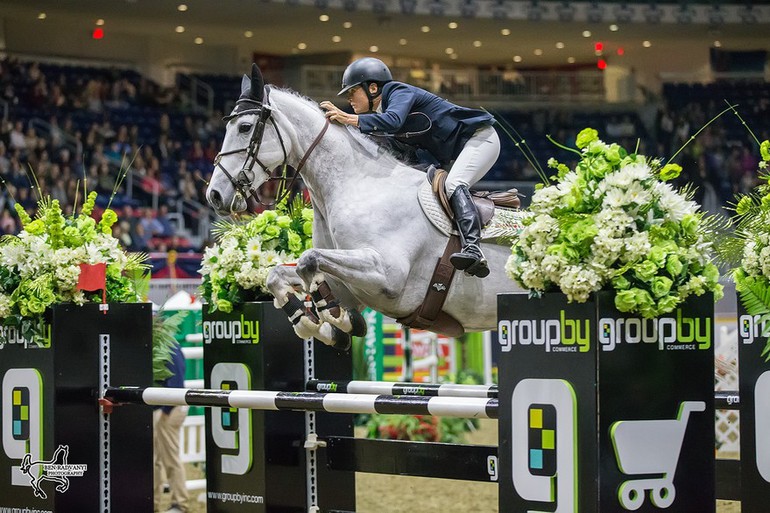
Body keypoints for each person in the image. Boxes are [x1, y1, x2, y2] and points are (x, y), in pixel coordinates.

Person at [320, 57, 500, 278]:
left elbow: (393, 120)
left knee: (454, 184)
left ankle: (473, 249)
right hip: (456, 152)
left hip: (480, 139)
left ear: (373, 87)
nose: (349, 99)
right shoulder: (380, 117)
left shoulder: (398, 92)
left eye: (352, 92)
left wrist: (349, 119)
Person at [153, 341, 189, 513]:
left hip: (169, 408)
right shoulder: (169, 343)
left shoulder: (166, 345)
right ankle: (158, 501)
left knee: (168, 458)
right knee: (160, 459)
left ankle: (180, 503)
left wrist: (166, 409)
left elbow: (176, 381)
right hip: (168, 407)